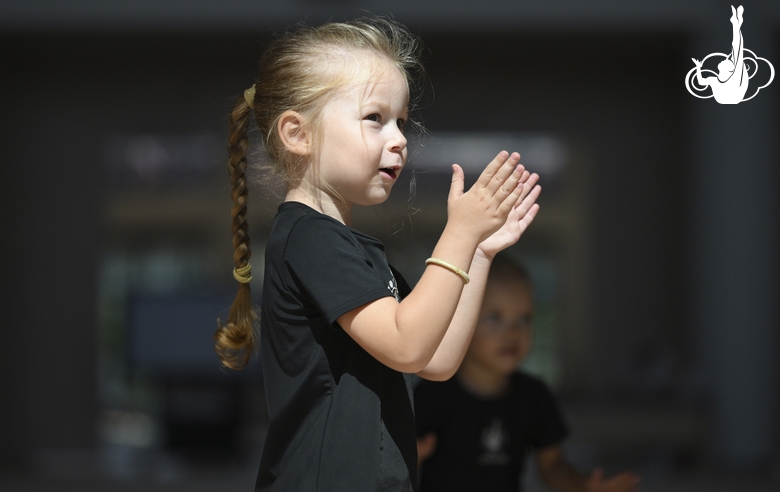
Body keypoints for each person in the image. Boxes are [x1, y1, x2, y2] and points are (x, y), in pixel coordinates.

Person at [211, 18, 542, 491]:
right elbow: (407, 344)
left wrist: (479, 252)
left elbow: (436, 358)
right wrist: (458, 234)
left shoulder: (347, 248)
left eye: (402, 121)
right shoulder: (310, 238)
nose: (400, 138)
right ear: (297, 134)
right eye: (375, 118)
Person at [415, 256, 641, 492]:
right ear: (459, 322)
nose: (513, 332)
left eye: (524, 318)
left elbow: (552, 465)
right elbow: (398, 463)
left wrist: (583, 485)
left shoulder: (532, 396)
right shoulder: (433, 393)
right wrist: (411, 455)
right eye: (495, 317)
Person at [692, 5, 748, 104]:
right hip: (728, 98)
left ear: (729, 69)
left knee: (737, 50)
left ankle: (736, 24)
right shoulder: (714, 80)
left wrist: (736, 26)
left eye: (727, 61)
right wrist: (698, 67)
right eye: (728, 60)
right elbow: (701, 82)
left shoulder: (734, 77)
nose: (725, 59)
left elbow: (738, 49)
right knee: (737, 51)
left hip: (733, 96)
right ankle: (736, 23)